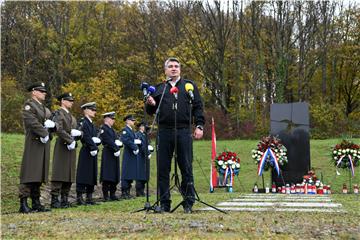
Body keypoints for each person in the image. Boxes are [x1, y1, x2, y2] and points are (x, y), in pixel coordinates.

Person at [146, 57, 205, 213]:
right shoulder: (159, 88)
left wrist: (199, 125)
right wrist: (150, 104)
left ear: (180, 69)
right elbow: (151, 111)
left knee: (186, 166)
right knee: (163, 168)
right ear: (165, 70)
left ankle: (188, 202)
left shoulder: (189, 86)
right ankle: (165, 203)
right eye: (170, 66)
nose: (173, 68)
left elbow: (198, 107)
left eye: (176, 66)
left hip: (183, 131)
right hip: (164, 131)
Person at [19, 82, 56, 213]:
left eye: (44, 91)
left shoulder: (44, 108)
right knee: (30, 173)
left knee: (39, 173)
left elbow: (50, 123)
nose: (44, 93)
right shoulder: (29, 105)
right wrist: (44, 132)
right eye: (41, 91)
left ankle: (36, 202)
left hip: (43, 143)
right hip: (34, 143)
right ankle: (23, 203)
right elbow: (31, 122)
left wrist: (51, 129)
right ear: (34, 92)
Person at [50, 92, 81, 208]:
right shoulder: (58, 114)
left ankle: (64, 199)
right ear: (62, 101)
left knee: (69, 172)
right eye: (69, 100)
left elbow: (77, 130)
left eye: (72, 101)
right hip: (63, 145)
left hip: (71, 147)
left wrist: (78, 135)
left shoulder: (71, 116)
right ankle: (54, 200)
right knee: (59, 172)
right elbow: (59, 129)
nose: (71, 102)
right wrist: (70, 140)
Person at [76, 102, 101, 205]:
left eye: (95, 110)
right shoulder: (83, 122)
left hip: (93, 151)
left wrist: (96, 144)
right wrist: (93, 146)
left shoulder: (91, 124)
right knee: (84, 174)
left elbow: (94, 137)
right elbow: (85, 136)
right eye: (92, 110)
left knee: (92, 174)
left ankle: (89, 197)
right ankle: (79, 197)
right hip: (87, 150)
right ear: (85, 110)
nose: (94, 112)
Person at [99, 111, 122, 201]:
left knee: (114, 173)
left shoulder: (112, 130)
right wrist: (116, 148)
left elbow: (116, 139)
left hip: (114, 153)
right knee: (107, 174)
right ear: (106, 119)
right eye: (112, 119)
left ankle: (113, 193)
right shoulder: (103, 128)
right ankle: (106, 195)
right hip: (108, 152)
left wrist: (119, 145)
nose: (113, 120)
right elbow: (108, 140)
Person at [120, 114, 141, 199]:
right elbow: (126, 140)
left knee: (131, 172)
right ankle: (124, 192)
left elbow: (132, 140)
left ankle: (128, 191)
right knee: (127, 172)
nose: (134, 122)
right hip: (128, 154)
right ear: (127, 121)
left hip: (132, 154)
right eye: (132, 120)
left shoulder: (131, 130)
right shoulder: (125, 130)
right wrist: (135, 147)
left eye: (134, 120)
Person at [135, 121, 152, 197]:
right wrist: (147, 152)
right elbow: (141, 146)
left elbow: (147, 145)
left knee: (145, 174)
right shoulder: (138, 135)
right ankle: (139, 191)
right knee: (140, 174)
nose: (146, 129)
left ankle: (142, 190)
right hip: (140, 156)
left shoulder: (144, 135)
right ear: (141, 127)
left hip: (145, 156)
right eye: (145, 127)